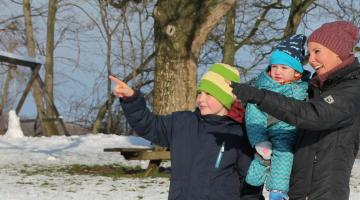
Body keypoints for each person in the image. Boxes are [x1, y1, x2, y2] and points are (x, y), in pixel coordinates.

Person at [231, 21, 360, 200]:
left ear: (337, 51)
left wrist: (260, 97)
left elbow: (314, 115)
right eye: (310, 52)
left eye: (317, 52)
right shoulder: (314, 87)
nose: (311, 59)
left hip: (324, 194)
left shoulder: (352, 89)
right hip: (297, 191)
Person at [110, 63, 262, 200]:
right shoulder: (182, 123)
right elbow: (149, 125)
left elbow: (250, 183)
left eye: (209, 94)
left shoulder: (238, 134)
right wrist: (132, 100)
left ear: (225, 98)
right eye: (199, 93)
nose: (201, 99)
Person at [244, 34, 308, 200]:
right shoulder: (262, 89)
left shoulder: (304, 91)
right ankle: (262, 188)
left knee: (285, 155)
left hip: (294, 134)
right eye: (274, 67)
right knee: (269, 156)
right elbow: (254, 116)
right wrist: (259, 140)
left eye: (284, 68)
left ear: (297, 73)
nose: (278, 71)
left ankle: (272, 191)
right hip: (270, 131)